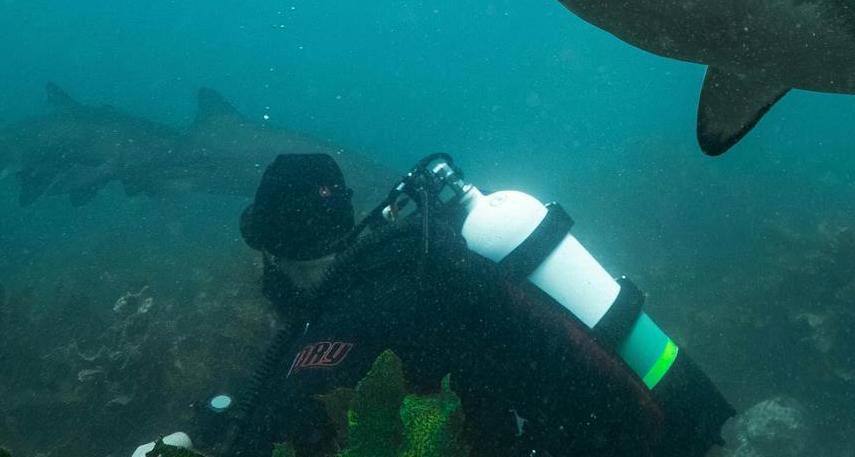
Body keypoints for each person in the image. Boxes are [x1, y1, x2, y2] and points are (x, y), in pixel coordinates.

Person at [214, 152, 735, 457]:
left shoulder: (351, 316)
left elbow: (281, 432)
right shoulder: (418, 263)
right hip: (646, 424)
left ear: (278, 249)